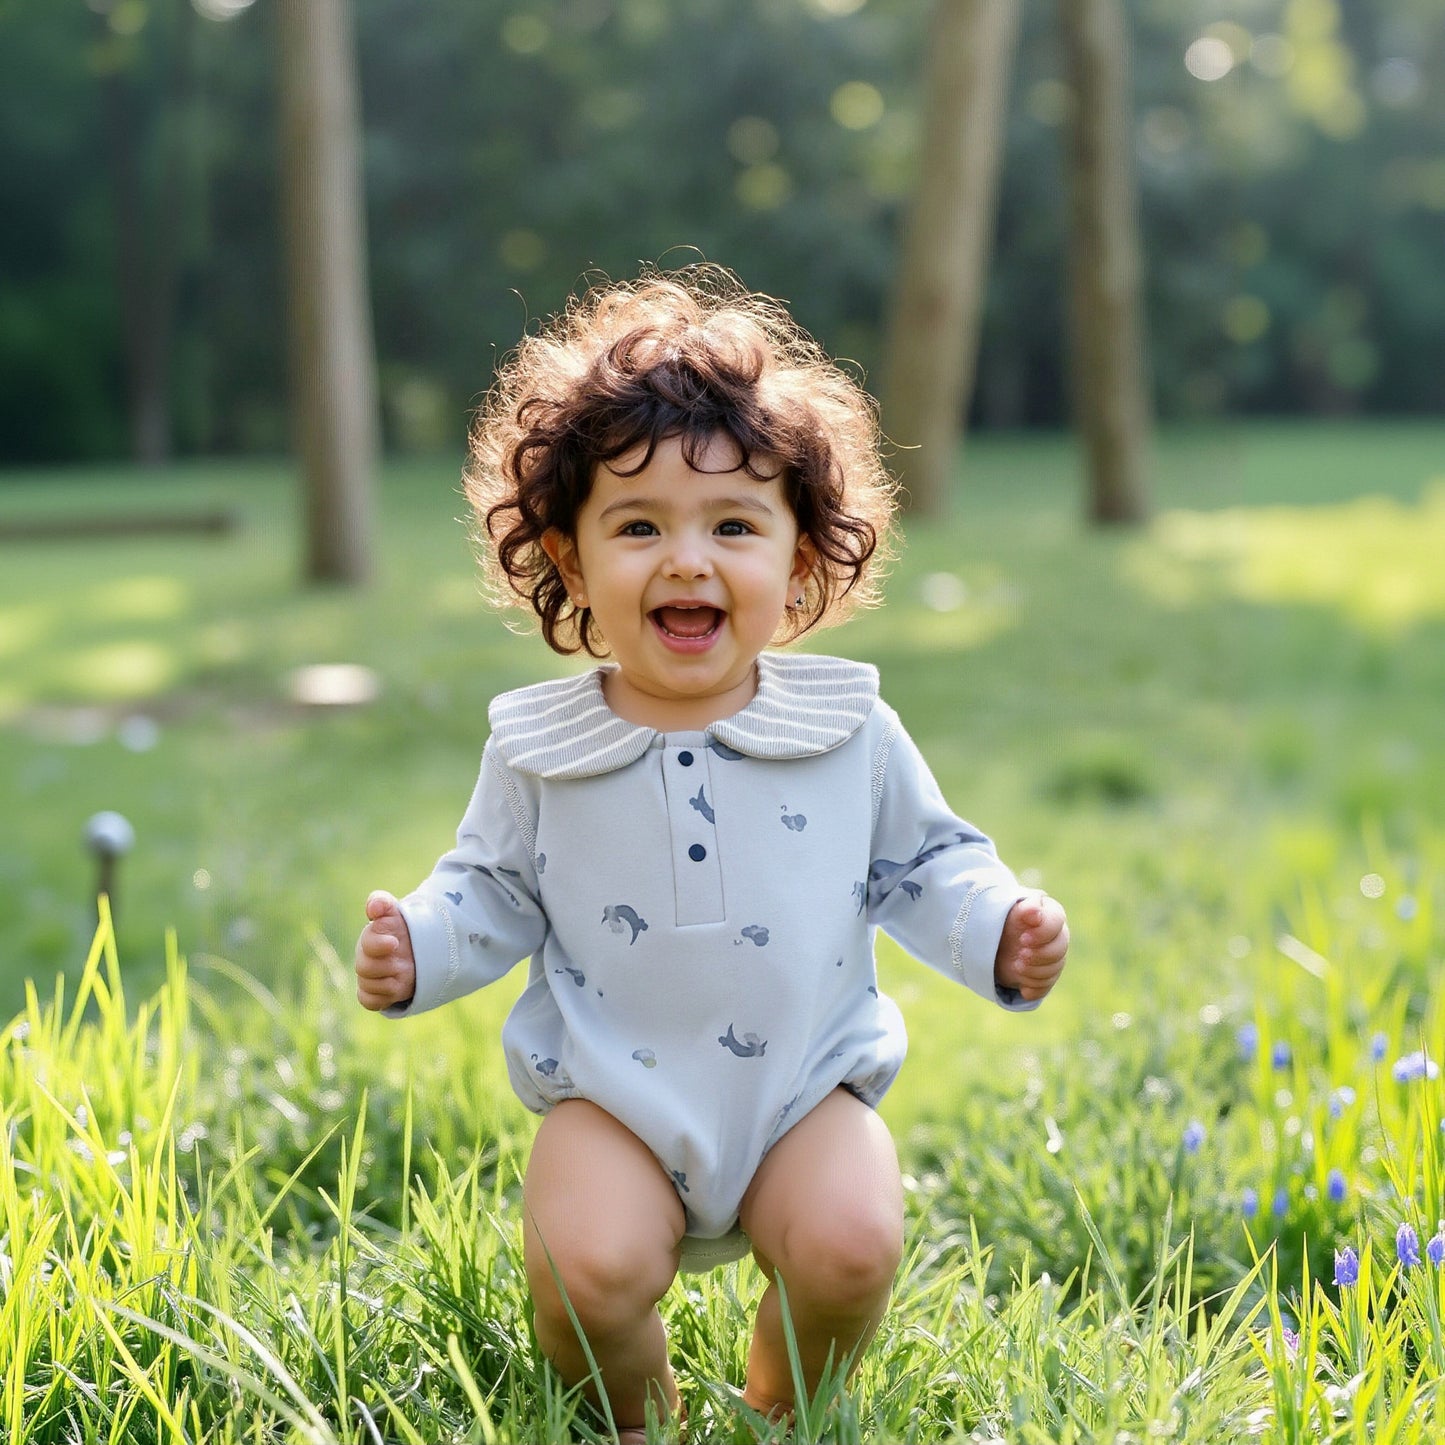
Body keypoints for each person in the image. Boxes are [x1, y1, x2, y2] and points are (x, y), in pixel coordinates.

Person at [354, 266, 1069, 1442]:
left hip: (801, 1087)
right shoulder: (543, 750)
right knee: (583, 1269)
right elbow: (486, 887)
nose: (686, 560)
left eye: (732, 525)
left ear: (796, 561)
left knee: (849, 1245)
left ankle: (778, 1410)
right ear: (570, 560)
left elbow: (926, 862)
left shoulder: (846, 731)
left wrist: (998, 925)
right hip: (612, 1096)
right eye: (637, 527)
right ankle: (634, 1418)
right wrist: (417, 947)